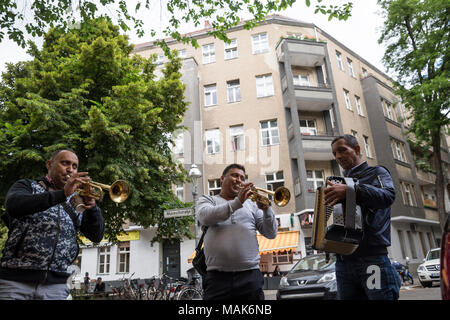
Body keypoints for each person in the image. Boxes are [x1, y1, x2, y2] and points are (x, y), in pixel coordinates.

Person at [0, 149, 105, 300]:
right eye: (65, 163)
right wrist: (62, 194)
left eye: (75, 166)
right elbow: (13, 205)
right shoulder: (28, 186)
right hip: (15, 280)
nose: (70, 169)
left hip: (57, 285)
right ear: (49, 164)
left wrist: (93, 208)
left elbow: (96, 235)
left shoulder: (78, 200)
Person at [324, 135, 401, 300]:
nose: (337, 156)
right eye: (334, 153)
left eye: (342, 150)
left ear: (357, 149)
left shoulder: (377, 172)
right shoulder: (338, 183)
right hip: (343, 263)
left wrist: (352, 191)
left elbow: (388, 196)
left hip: (372, 260)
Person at [197, 164, 278, 300]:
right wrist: (237, 202)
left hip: (249, 276)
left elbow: (271, 233)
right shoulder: (209, 200)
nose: (239, 180)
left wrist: (267, 210)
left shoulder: (252, 204)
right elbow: (205, 217)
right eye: (235, 175)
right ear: (222, 179)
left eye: (242, 178)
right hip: (217, 278)